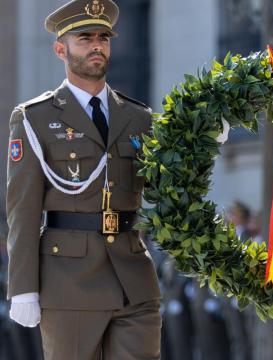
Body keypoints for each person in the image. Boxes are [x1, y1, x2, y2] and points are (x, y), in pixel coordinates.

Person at [6, 1, 162, 358]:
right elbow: (23, 208)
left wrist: (200, 143)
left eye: (103, 38)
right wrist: (23, 288)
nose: (96, 45)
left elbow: (163, 186)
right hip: (69, 283)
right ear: (61, 49)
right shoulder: (36, 118)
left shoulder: (138, 117)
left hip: (133, 279)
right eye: (85, 38)